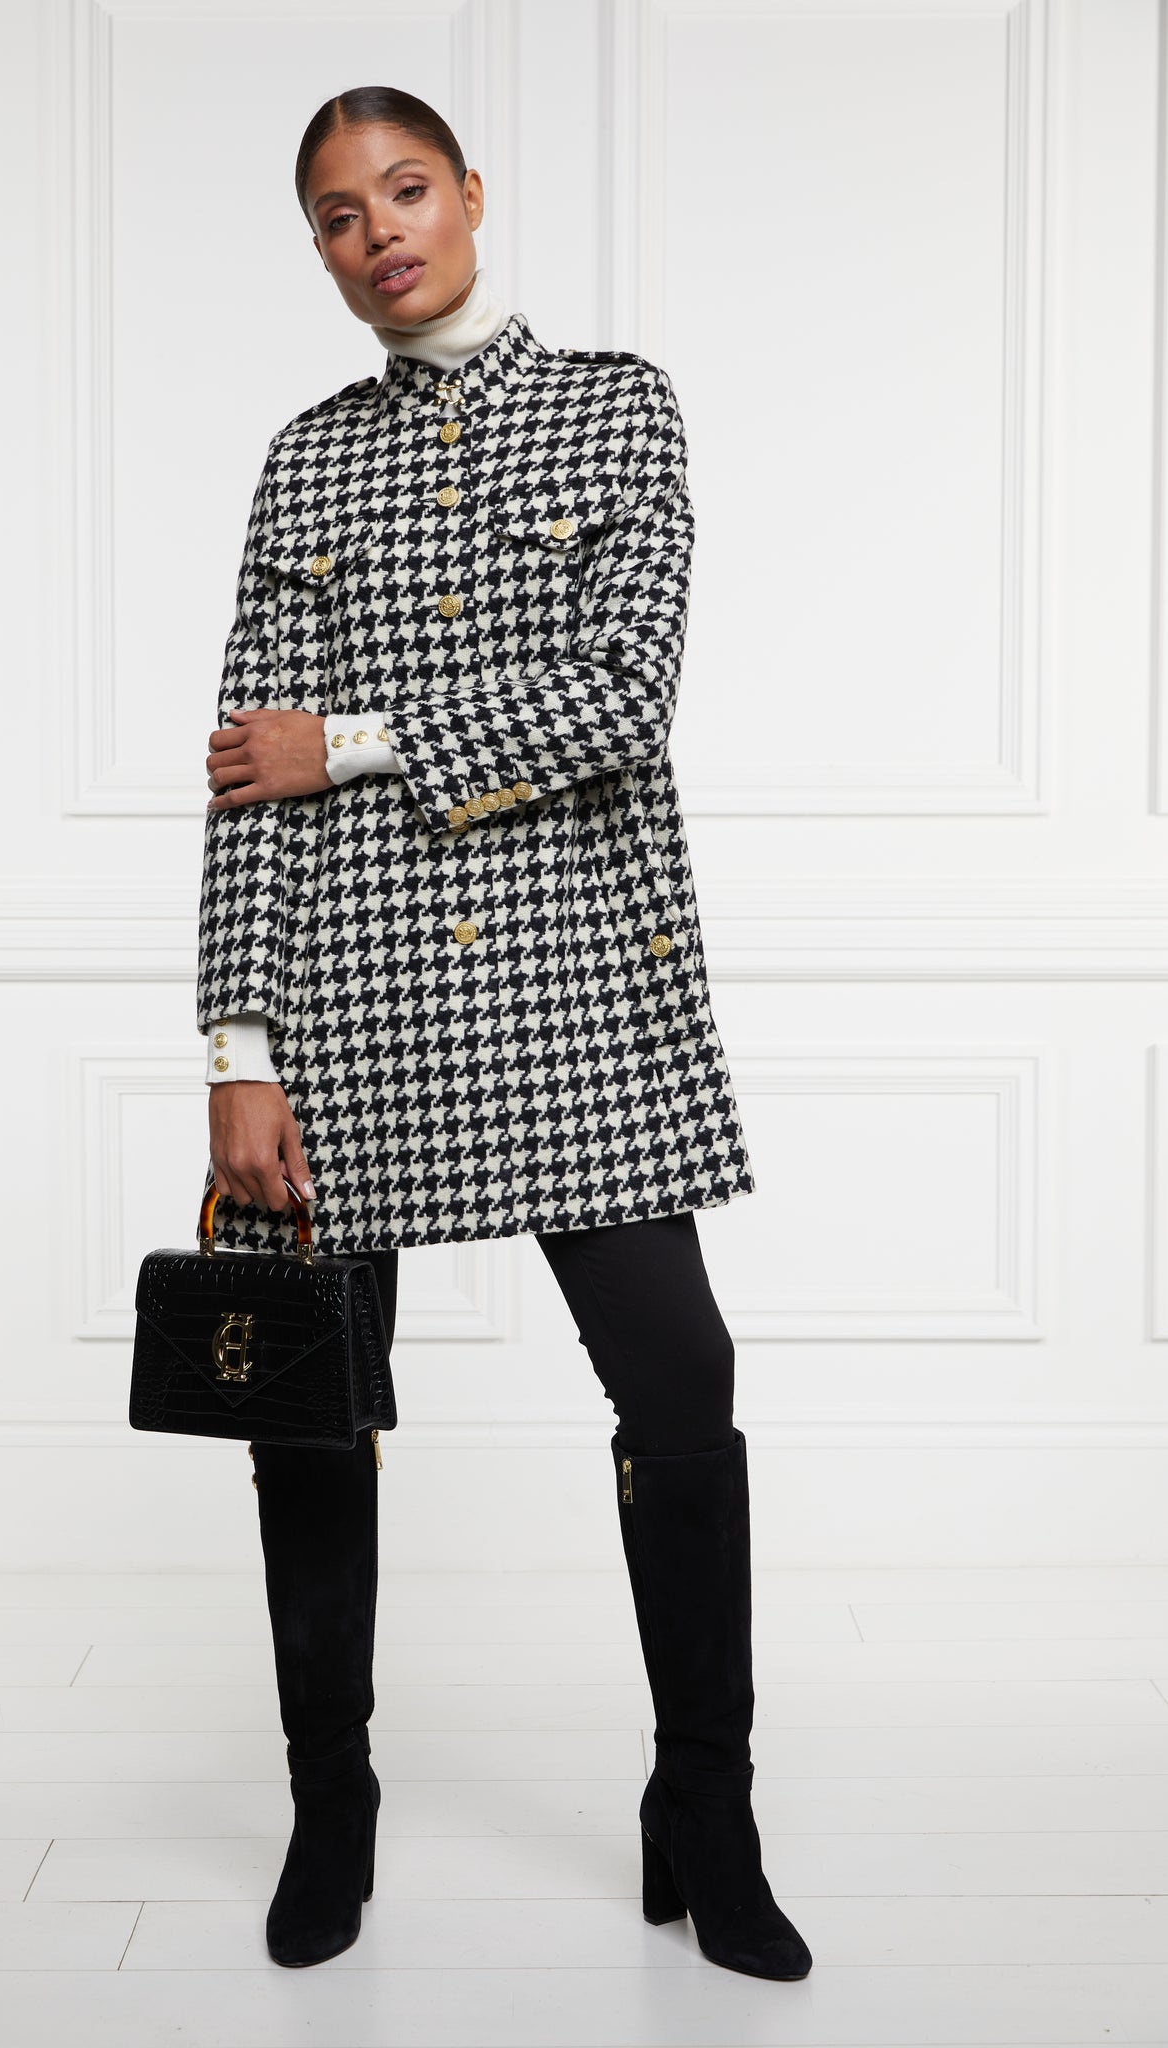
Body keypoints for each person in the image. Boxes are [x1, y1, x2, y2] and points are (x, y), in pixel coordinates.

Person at [197, 84, 812, 1983]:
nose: (375, 231)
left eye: (402, 190)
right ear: (316, 248)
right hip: (350, 1000)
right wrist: (236, 1047)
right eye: (335, 214)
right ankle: (330, 1803)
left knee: (677, 1385)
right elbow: (245, 779)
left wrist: (353, 739)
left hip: (577, 987)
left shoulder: (619, 404)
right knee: (313, 1412)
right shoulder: (306, 459)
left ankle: (704, 1807)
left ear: (469, 194)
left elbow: (623, 696)